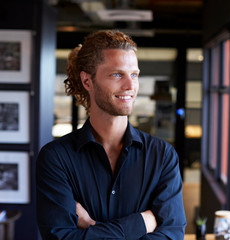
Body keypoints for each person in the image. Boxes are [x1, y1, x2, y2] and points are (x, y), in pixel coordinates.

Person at [36, 30, 186, 239]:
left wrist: (91, 229)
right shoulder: (56, 158)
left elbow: (172, 235)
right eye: (117, 74)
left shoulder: (162, 156)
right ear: (88, 81)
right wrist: (141, 223)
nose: (130, 86)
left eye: (134, 74)